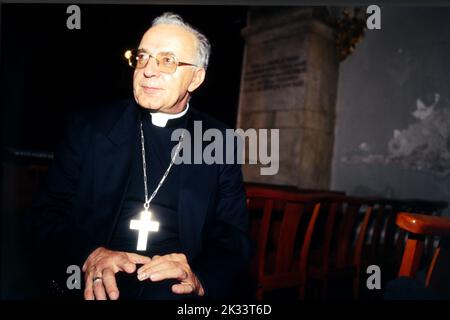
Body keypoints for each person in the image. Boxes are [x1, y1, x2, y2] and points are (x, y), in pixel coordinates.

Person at [27, 12, 251, 300]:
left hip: (175, 283)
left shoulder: (218, 140)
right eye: (143, 57)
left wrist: (199, 278)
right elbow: (45, 214)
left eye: (167, 61)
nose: (148, 70)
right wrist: (89, 254)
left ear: (195, 78)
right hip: (96, 277)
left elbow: (233, 235)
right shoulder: (89, 127)